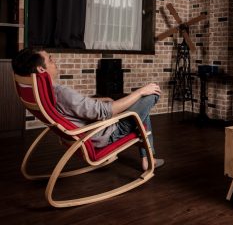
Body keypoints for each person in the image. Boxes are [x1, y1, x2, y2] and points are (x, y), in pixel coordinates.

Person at [12, 48, 164, 171]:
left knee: (140, 110)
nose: (54, 62)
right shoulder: (60, 92)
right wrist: (141, 91)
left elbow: (74, 108)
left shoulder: (42, 92)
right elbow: (105, 111)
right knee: (151, 95)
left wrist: (98, 100)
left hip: (87, 131)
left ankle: (147, 158)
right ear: (41, 69)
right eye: (50, 59)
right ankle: (148, 158)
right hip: (105, 134)